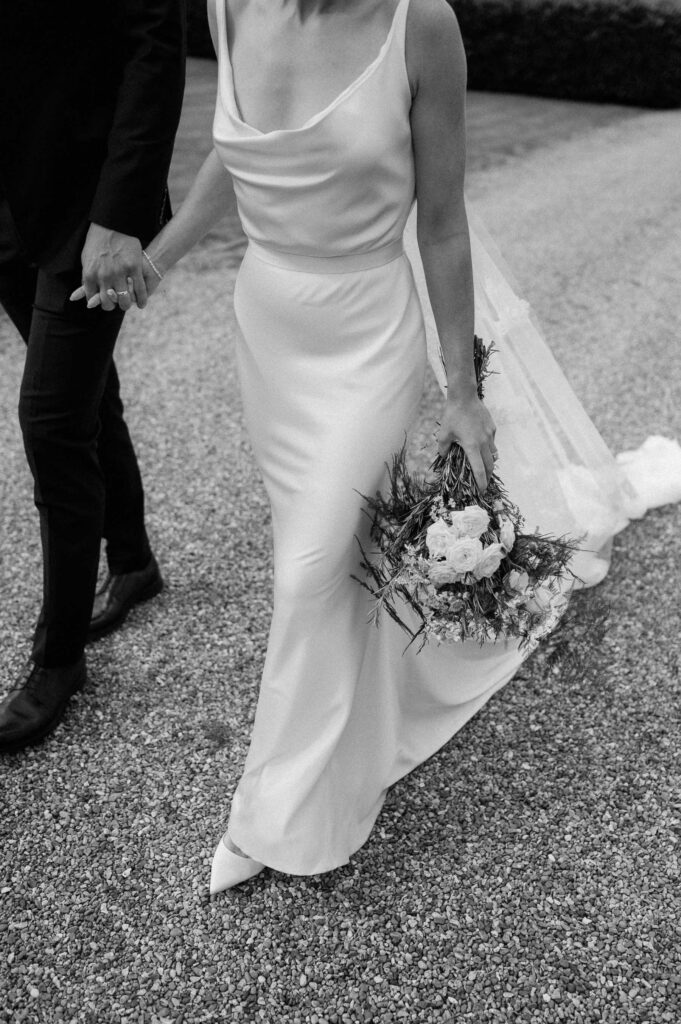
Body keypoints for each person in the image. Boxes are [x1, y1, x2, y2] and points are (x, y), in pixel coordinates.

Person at [113, 0, 657, 891]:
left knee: (310, 569)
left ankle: (274, 814)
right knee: (324, 557)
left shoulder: (420, 25)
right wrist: (160, 258)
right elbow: (233, 156)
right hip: (269, 334)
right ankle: (350, 718)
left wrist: (462, 396)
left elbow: (440, 224)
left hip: (367, 337)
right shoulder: (228, 7)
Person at [0, 2, 186, 755]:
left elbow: (154, 48)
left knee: (51, 423)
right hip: (11, 206)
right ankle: (133, 562)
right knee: (83, 394)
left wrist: (121, 214)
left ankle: (60, 658)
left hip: (88, 207)